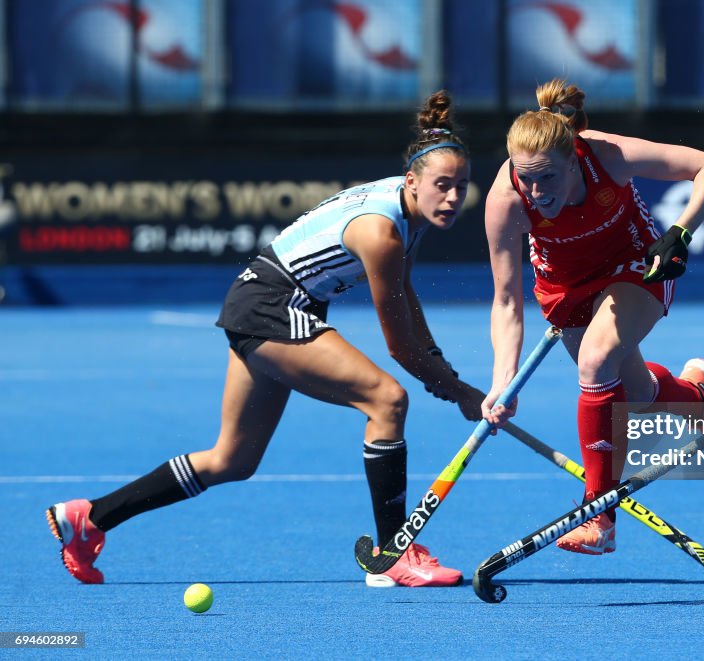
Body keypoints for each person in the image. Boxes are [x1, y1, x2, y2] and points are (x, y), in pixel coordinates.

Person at [45, 90, 485, 588]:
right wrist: (458, 389)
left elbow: (405, 295)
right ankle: (392, 553)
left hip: (259, 300)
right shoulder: (381, 232)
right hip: (276, 306)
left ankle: (91, 517)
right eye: (443, 186)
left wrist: (446, 374)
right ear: (413, 181)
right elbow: (398, 344)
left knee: (232, 460)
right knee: (387, 400)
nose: (452, 198)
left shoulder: (409, 208)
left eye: (462, 187)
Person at [481, 79, 704, 555]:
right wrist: (503, 381)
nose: (537, 192)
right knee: (635, 395)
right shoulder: (506, 199)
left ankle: (599, 517)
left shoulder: (607, 155)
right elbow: (506, 301)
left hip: (637, 263)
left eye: (548, 178)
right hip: (564, 286)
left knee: (596, 362)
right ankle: (702, 401)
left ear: (574, 157)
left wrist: (680, 233)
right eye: (526, 178)